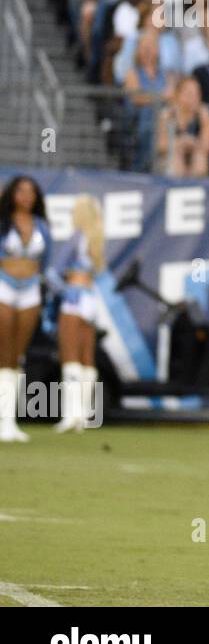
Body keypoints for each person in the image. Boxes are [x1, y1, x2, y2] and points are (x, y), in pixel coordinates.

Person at [0, 175, 50, 443]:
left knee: (18, 356)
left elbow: (46, 262)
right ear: (12, 194)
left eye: (31, 191)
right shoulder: (3, 222)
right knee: (3, 353)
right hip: (4, 286)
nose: (26, 196)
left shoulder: (42, 225)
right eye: (21, 191)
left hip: (30, 289)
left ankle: (9, 420)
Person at [53, 195, 105, 433]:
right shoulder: (96, 240)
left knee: (70, 356)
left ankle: (71, 415)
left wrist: (59, 289)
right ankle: (84, 414)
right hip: (90, 299)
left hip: (74, 298)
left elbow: (55, 270)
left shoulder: (77, 237)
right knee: (87, 358)